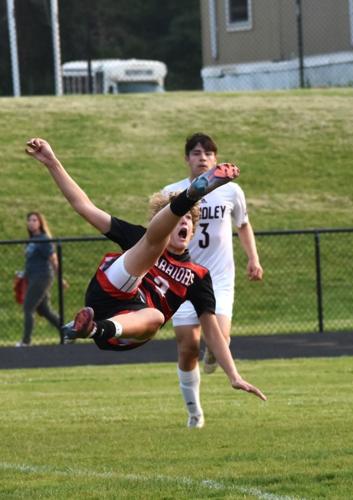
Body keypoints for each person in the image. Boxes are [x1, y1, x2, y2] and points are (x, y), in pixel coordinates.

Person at [25, 137, 266, 403]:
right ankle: (188, 197)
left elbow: (212, 331)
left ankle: (88, 328)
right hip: (110, 291)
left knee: (154, 315)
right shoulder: (144, 237)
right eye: (178, 218)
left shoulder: (197, 276)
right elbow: (85, 207)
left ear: (193, 230)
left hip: (122, 329)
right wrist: (51, 161)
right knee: (151, 244)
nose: (183, 224)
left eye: (188, 219)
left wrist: (234, 375)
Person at [163, 133, 264, 428]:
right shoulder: (173, 192)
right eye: (196, 152)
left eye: (208, 153)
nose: (202, 157)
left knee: (221, 338)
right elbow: (158, 232)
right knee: (187, 346)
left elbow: (243, 225)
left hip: (218, 277)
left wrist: (253, 259)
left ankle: (214, 355)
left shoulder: (231, 191)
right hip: (181, 276)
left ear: (216, 159)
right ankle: (194, 411)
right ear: (186, 159)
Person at [19, 211, 64, 346]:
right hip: (33, 277)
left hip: (42, 276)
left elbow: (53, 259)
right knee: (44, 310)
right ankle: (67, 333)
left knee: (28, 308)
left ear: (40, 223)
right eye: (30, 220)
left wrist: (60, 277)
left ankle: (26, 341)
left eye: (34, 220)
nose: (31, 223)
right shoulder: (31, 240)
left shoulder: (44, 239)